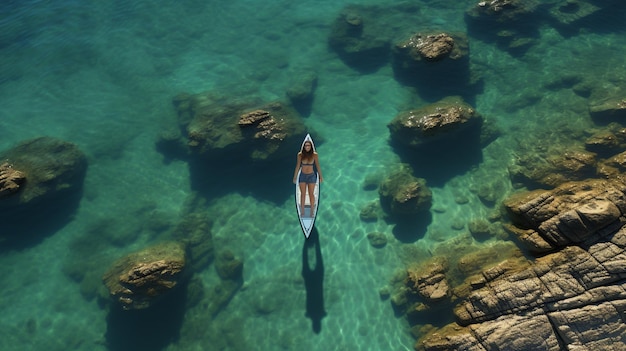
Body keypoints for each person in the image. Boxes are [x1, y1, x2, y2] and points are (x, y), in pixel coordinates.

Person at [293, 139, 323, 217]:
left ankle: (312, 211)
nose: (307, 147)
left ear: (311, 146)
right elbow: (297, 166)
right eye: (306, 145)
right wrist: (295, 177)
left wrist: (320, 176)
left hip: (311, 176)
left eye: (309, 145)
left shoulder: (314, 155)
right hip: (302, 175)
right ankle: (302, 211)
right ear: (304, 146)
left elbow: (318, 166)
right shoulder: (300, 155)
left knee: (311, 194)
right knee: (302, 194)